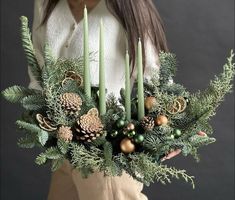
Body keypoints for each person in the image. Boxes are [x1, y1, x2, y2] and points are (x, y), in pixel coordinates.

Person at [28, 0, 179, 199]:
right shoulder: (45, 4)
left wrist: (174, 125)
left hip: (109, 154)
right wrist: (43, 120)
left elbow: (158, 77)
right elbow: (38, 70)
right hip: (64, 147)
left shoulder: (130, 8)